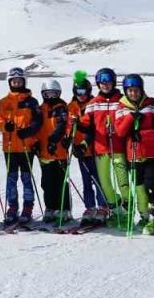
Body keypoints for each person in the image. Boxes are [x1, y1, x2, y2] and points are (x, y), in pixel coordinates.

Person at [114, 74, 154, 235]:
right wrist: (130, 118)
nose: (133, 93)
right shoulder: (121, 108)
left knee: (151, 187)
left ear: (141, 90)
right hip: (133, 154)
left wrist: (143, 135)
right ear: (125, 91)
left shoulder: (152, 105)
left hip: (152, 154)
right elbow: (120, 132)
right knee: (139, 188)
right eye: (130, 90)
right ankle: (144, 216)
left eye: (136, 90)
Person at [79, 67, 131, 229]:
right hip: (101, 149)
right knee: (105, 185)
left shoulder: (122, 101)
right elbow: (87, 125)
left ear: (113, 82)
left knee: (123, 183)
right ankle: (115, 211)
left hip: (119, 148)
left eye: (108, 81)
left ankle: (128, 212)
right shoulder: (93, 103)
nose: (105, 84)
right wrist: (77, 124)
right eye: (101, 82)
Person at [0, 66, 42, 226]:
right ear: (9, 82)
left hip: (26, 146)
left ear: (24, 81)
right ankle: (12, 207)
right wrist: (5, 126)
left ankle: (28, 207)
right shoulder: (3, 102)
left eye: (19, 81)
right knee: (11, 178)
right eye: (13, 81)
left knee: (26, 177)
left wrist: (29, 130)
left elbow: (38, 121)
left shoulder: (31, 101)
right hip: (9, 146)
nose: (16, 83)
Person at [68, 72, 108, 226]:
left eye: (84, 92)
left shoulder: (93, 104)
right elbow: (68, 127)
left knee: (99, 179)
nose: (81, 95)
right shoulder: (70, 107)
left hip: (95, 149)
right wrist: (69, 140)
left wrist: (84, 143)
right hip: (80, 150)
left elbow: (93, 129)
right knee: (86, 180)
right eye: (78, 92)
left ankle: (103, 207)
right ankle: (90, 207)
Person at [36, 79, 72, 225]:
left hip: (59, 152)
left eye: (54, 94)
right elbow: (37, 128)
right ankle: (50, 208)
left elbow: (63, 126)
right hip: (44, 153)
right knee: (47, 182)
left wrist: (55, 140)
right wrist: (35, 143)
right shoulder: (40, 109)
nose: (51, 97)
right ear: (43, 94)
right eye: (48, 94)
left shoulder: (62, 108)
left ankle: (64, 209)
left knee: (61, 182)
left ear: (59, 94)